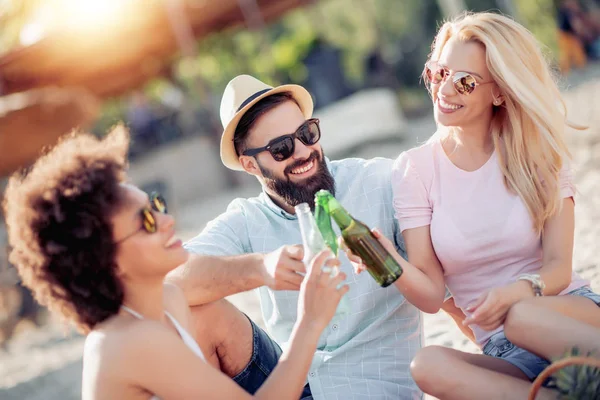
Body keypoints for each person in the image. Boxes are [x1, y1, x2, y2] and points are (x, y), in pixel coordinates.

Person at [350, 12, 600, 399]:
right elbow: (432, 295)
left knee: (522, 317)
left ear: (499, 92)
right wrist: (386, 260)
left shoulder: (537, 152)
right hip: (506, 351)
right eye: (438, 72)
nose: (444, 90)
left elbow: (560, 269)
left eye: (464, 82)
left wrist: (517, 292)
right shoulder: (414, 170)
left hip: (566, 317)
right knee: (427, 364)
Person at [2, 127, 349, 400]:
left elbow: (199, 282)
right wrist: (311, 320)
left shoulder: (165, 301)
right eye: (146, 223)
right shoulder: (126, 342)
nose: (166, 220)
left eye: (156, 205)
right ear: (106, 262)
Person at [167, 74, 423, 399]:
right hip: (292, 381)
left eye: (307, 133)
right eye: (281, 148)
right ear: (250, 165)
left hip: (373, 386)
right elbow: (170, 280)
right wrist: (258, 268)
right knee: (198, 315)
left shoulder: (378, 180)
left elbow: (446, 279)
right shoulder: (248, 219)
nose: (304, 151)